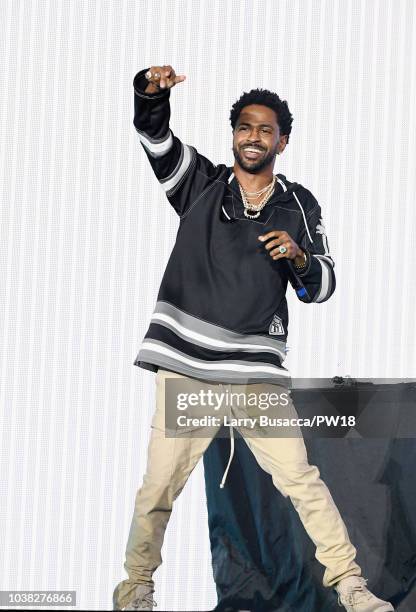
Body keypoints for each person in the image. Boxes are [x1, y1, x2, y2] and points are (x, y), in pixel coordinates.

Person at [113, 65, 394, 612]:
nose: (253, 136)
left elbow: (324, 284)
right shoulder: (200, 184)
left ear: (282, 140)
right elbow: (155, 138)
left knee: (302, 482)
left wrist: (299, 255)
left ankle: (352, 587)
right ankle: (136, 588)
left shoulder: (298, 203)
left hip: (255, 374)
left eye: (265, 129)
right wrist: (149, 92)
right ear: (234, 133)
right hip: (188, 364)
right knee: (159, 489)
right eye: (244, 126)